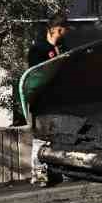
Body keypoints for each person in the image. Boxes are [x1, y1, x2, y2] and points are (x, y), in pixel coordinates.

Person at [26, 16, 69, 186]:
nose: (67, 33)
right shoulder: (38, 49)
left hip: (59, 101)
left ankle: (58, 172)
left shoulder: (63, 47)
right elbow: (37, 74)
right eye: (66, 29)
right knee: (40, 138)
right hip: (42, 102)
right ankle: (39, 174)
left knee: (57, 137)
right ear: (58, 29)